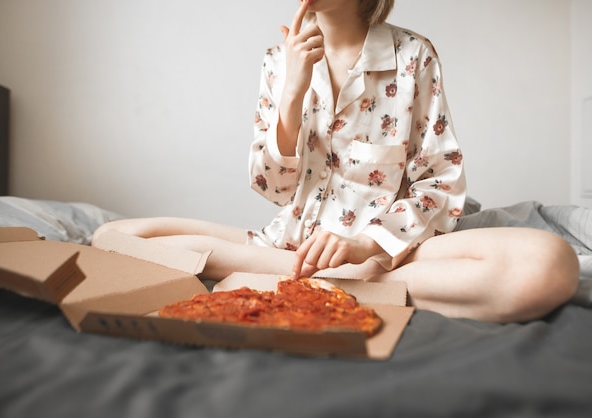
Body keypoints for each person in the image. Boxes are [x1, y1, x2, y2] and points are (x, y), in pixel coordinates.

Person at [92, 0, 579, 323]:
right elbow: (273, 188)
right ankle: (327, 283)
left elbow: (439, 183)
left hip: (390, 252)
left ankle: (315, 281)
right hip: (288, 246)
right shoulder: (279, 62)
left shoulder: (413, 56)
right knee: (109, 238)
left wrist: (364, 244)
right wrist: (291, 91)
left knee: (550, 264)